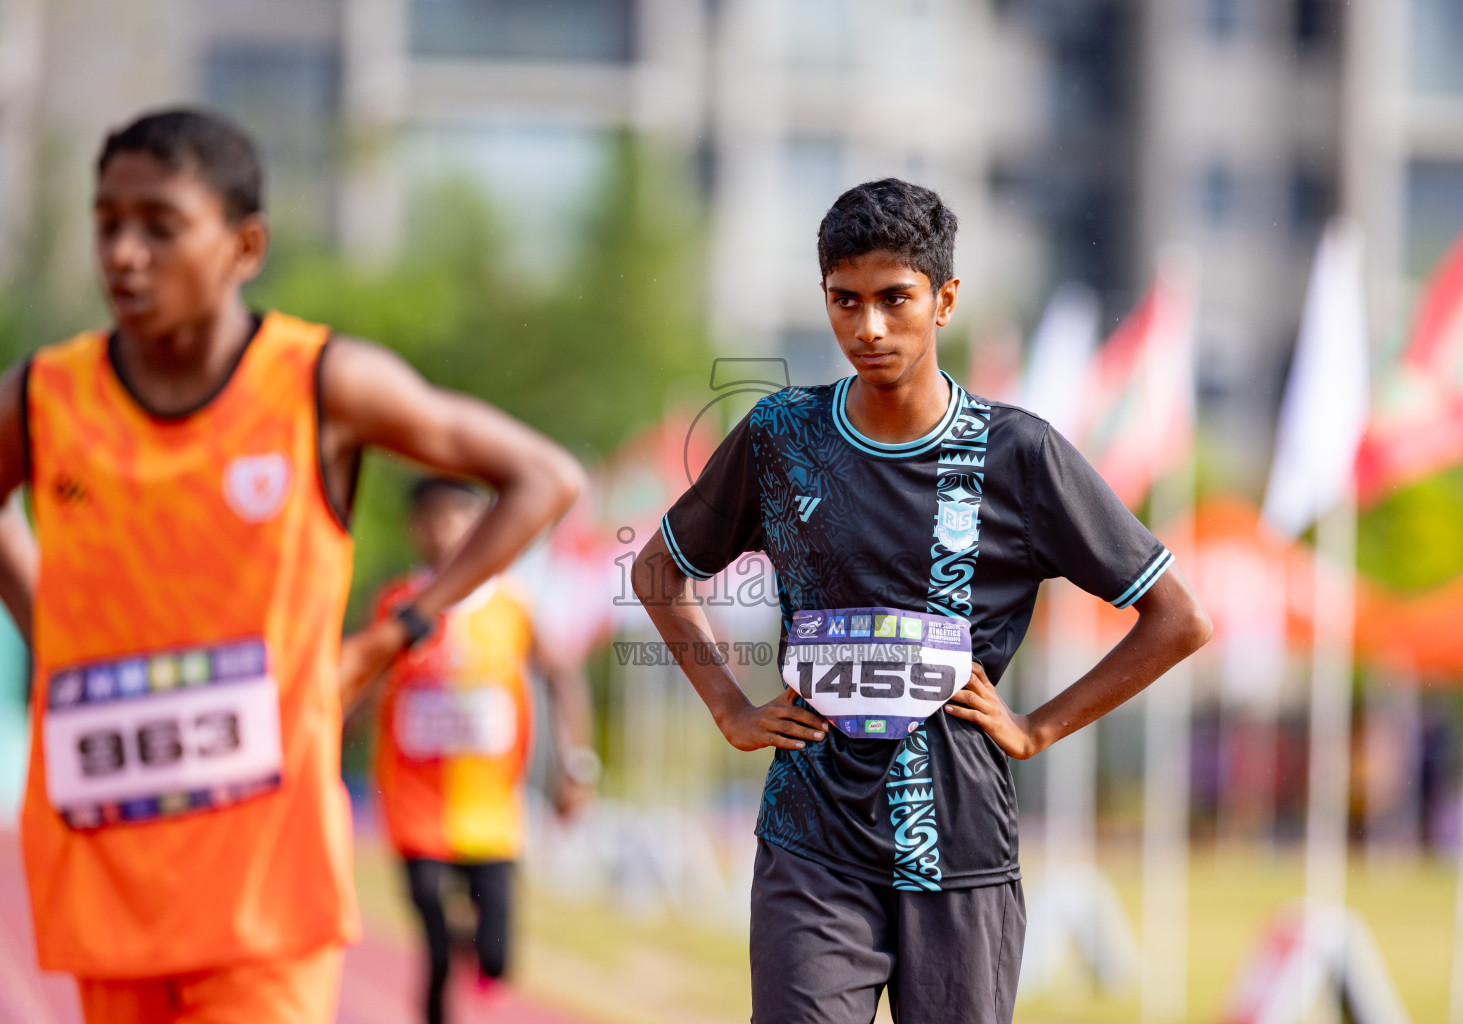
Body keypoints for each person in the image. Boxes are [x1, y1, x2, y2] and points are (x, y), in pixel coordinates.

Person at [0, 108, 583, 1024]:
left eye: (159, 225)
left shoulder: (320, 384)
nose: (123, 253)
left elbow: (542, 478)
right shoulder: (45, 396)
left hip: (263, 878)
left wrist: (397, 632)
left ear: (243, 245)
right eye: (107, 222)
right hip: (111, 860)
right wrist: (52, 625)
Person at [634, 178, 1212, 1024]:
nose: (868, 328)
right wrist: (729, 706)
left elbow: (1178, 618)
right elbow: (658, 571)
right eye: (846, 300)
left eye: (894, 299)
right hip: (811, 844)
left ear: (943, 301)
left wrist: (1036, 727)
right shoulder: (779, 436)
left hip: (961, 850)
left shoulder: (1019, 455)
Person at [369, 475, 596, 1024]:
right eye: (431, 518)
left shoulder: (513, 605)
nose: (444, 530)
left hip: (492, 811)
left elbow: (563, 679)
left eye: (457, 516)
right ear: (413, 528)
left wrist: (577, 766)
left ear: (482, 526)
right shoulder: (398, 605)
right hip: (415, 804)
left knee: (495, 958)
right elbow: (361, 679)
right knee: (432, 933)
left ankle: (474, 946)